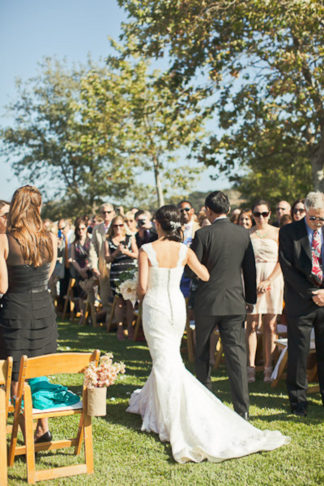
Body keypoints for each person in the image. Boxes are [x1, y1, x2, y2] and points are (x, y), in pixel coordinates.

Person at [127, 204, 289, 463]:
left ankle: (171, 415)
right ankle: (156, 406)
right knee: (168, 359)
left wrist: (133, 291)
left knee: (164, 359)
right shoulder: (184, 250)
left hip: (156, 306)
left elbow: (144, 288)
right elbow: (204, 274)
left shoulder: (147, 250)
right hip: (176, 307)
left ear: (158, 224)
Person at [189, 191, 256, 419]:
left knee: (202, 354)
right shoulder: (242, 234)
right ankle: (242, 410)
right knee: (237, 357)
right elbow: (250, 270)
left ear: (208, 210)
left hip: (207, 303)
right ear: (227, 208)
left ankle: (206, 404)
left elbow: (193, 269)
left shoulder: (203, 234)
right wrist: (251, 300)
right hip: (235, 303)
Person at [0, 185, 57, 442]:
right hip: (44, 310)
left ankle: (23, 436)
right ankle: (42, 427)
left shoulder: (4, 239)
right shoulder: (50, 237)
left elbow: (2, 286)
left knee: (15, 375)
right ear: (37, 207)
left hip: (15, 311)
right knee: (38, 368)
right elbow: (48, 272)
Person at [279, 191, 324, 416]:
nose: (317, 222)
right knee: (298, 352)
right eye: (313, 217)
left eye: (321, 218)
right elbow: (287, 267)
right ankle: (298, 402)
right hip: (300, 302)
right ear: (305, 211)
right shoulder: (289, 232)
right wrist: (312, 293)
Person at [246, 201, 284, 383]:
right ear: (252, 215)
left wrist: (269, 280)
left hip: (273, 279)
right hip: (251, 279)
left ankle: (269, 367)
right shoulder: (247, 234)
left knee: (270, 325)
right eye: (257, 214)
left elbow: (282, 260)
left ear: (270, 214)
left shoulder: (277, 233)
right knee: (251, 324)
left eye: (264, 213)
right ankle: (250, 367)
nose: (261, 217)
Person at [105, 215, 138, 339]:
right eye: (115, 225)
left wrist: (126, 252)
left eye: (120, 225)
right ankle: (119, 328)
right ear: (112, 227)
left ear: (124, 226)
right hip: (116, 275)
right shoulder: (108, 240)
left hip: (130, 273)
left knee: (130, 303)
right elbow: (107, 259)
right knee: (119, 303)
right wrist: (116, 252)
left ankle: (130, 327)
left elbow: (137, 254)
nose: (118, 228)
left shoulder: (130, 238)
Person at [89, 203, 115, 313]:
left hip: (117, 264)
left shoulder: (119, 225)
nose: (106, 214)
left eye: (109, 212)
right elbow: (93, 249)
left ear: (113, 212)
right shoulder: (97, 229)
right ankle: (109, 318)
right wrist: (94, 266)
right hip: (103, 265)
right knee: (104, 293)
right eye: (104, 212)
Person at [70, 217, 92, 314]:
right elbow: (73, 259)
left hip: (90, 269)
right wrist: (80, 270)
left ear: (86, 228)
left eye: (83, 228)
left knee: (90, 292)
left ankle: (91, 315)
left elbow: (94, 256)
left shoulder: (91, 241)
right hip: (79, 270)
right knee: (80, 293)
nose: (80, 231)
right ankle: (82, 315)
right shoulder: (74, 244)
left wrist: (86, 269)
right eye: (78, 229)